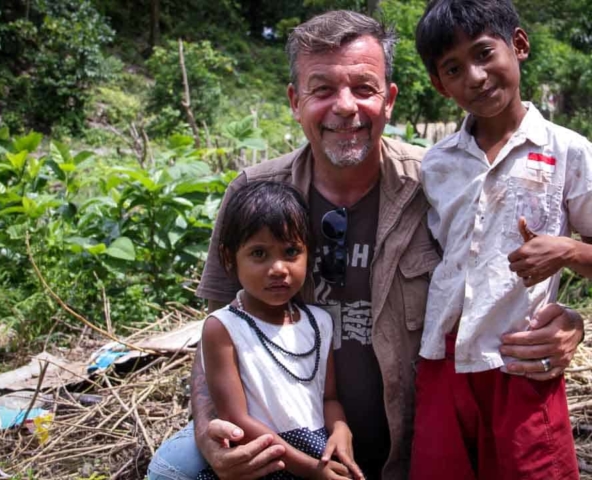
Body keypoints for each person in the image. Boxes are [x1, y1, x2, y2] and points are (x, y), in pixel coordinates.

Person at [148, 9, 585, 480]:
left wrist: (568, 325)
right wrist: (208, 429)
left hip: (414, 441)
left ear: (389, 99)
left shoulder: (440, 181)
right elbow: (217, 330)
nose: (345, 107)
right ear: (295, 101)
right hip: (289, 438)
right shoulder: (255, 194)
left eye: (363, 88)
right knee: (175, 469)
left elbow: (506, 275)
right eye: (322, 90)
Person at [409, 1, 592, 479]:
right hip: (442, 359)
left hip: (521, 360)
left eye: (485, 53)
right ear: (439, 84)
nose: (475, 75)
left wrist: (569, 250)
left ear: (520, 45)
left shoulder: (569, 151)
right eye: (453, 68)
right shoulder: (436, 164)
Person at [196, 180, 363, 480]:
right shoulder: (223, 328)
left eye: (290, 251)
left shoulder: (319, 322)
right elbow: (236, 419)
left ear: (308, 254)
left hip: (318, 452)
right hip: (264, 460)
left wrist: (340, 428)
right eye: (259, 254)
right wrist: (311, 470)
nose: (278, 268)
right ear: (228, 258)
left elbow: (328, 399)